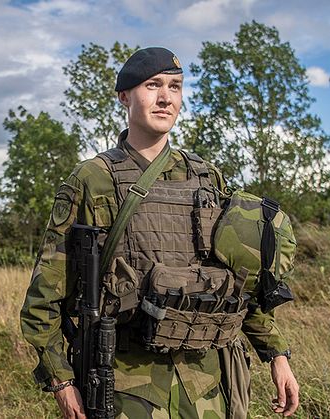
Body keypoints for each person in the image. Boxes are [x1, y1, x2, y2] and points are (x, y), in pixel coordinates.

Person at [19, 47, 299, 418]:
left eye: (175, 87)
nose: (166, 97)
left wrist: (276, 354)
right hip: (126, 383)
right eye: (153, 85)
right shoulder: (92, 179)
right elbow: (44, 297)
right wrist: (62, 381)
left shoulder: (207, 178)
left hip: (207, 382)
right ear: (124, 96)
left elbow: (237, 281)